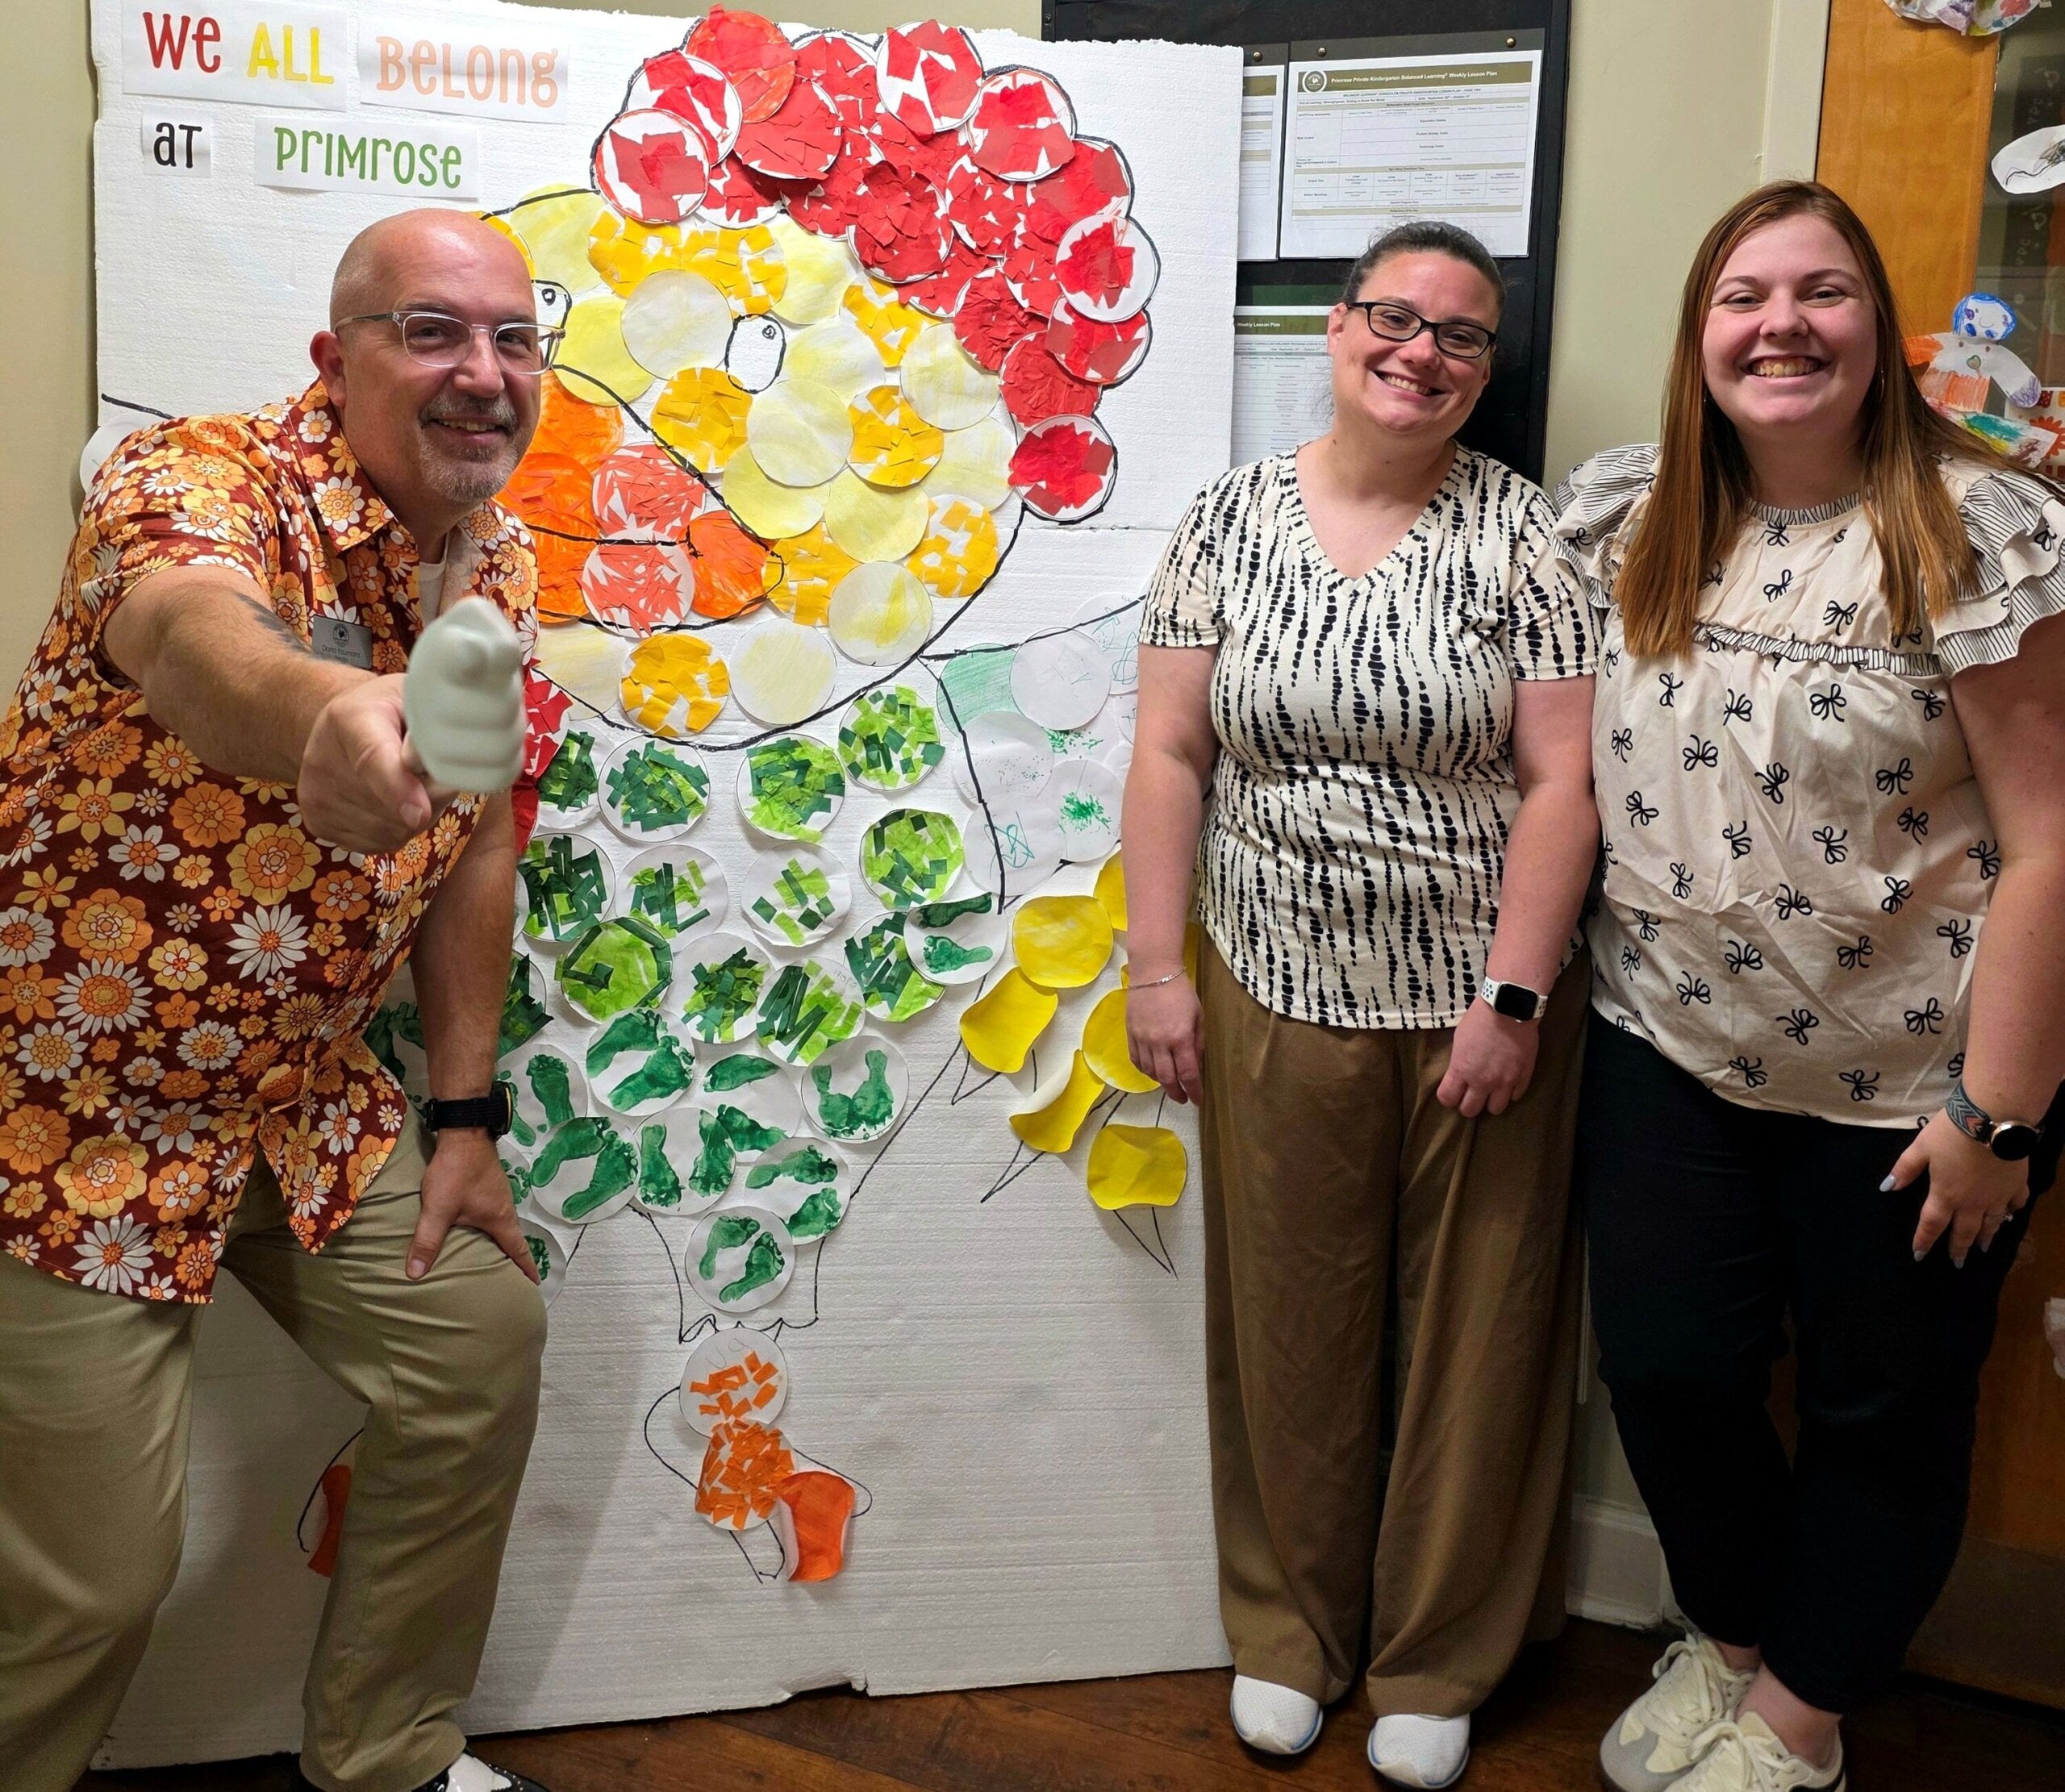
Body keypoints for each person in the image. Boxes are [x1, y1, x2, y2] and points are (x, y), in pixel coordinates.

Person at [0, 210, 560, 1792]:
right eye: (432, 332)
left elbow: (470, 854)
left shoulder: (496, 568)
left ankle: (384, 1752)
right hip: (68, 1117)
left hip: (302, 1100)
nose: (481, 372)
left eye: (513, 338)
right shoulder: (194, 478)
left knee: (476, 1346)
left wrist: (460, 1113)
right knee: (90, 1580)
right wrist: (325, 710)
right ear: (337, 358)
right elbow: (188, 634)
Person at [1561, 180, 2065, 1792]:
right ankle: (1723, 1649)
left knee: (1882, 1412)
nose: (1778, 323)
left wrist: (1998, 1112)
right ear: (1697, 333)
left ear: (1874, 326)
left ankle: (1796, 1721)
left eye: (1821, 290)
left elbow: (2051, 840)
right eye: (1741, 294)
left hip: (1912, 1083)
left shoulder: (1973, 528)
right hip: (1665, 1050)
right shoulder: (1625, 515)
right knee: (1665, 1370)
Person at [1124, 220, 1600, 1790]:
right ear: (1336, 331)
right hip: (1269, 977)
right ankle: (1285, 1633)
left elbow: (1556, 782)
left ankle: (1432, 1655)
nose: (1419, 352)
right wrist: (1155, 965)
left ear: (1484, 369)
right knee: (1286, 1321)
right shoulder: (1226, 522)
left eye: (1459, 336)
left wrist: (1512, 993)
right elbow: (1171, 753)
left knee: (1479, 1328)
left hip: (1483, 1006)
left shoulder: (1527, 540)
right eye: (1393, 319)